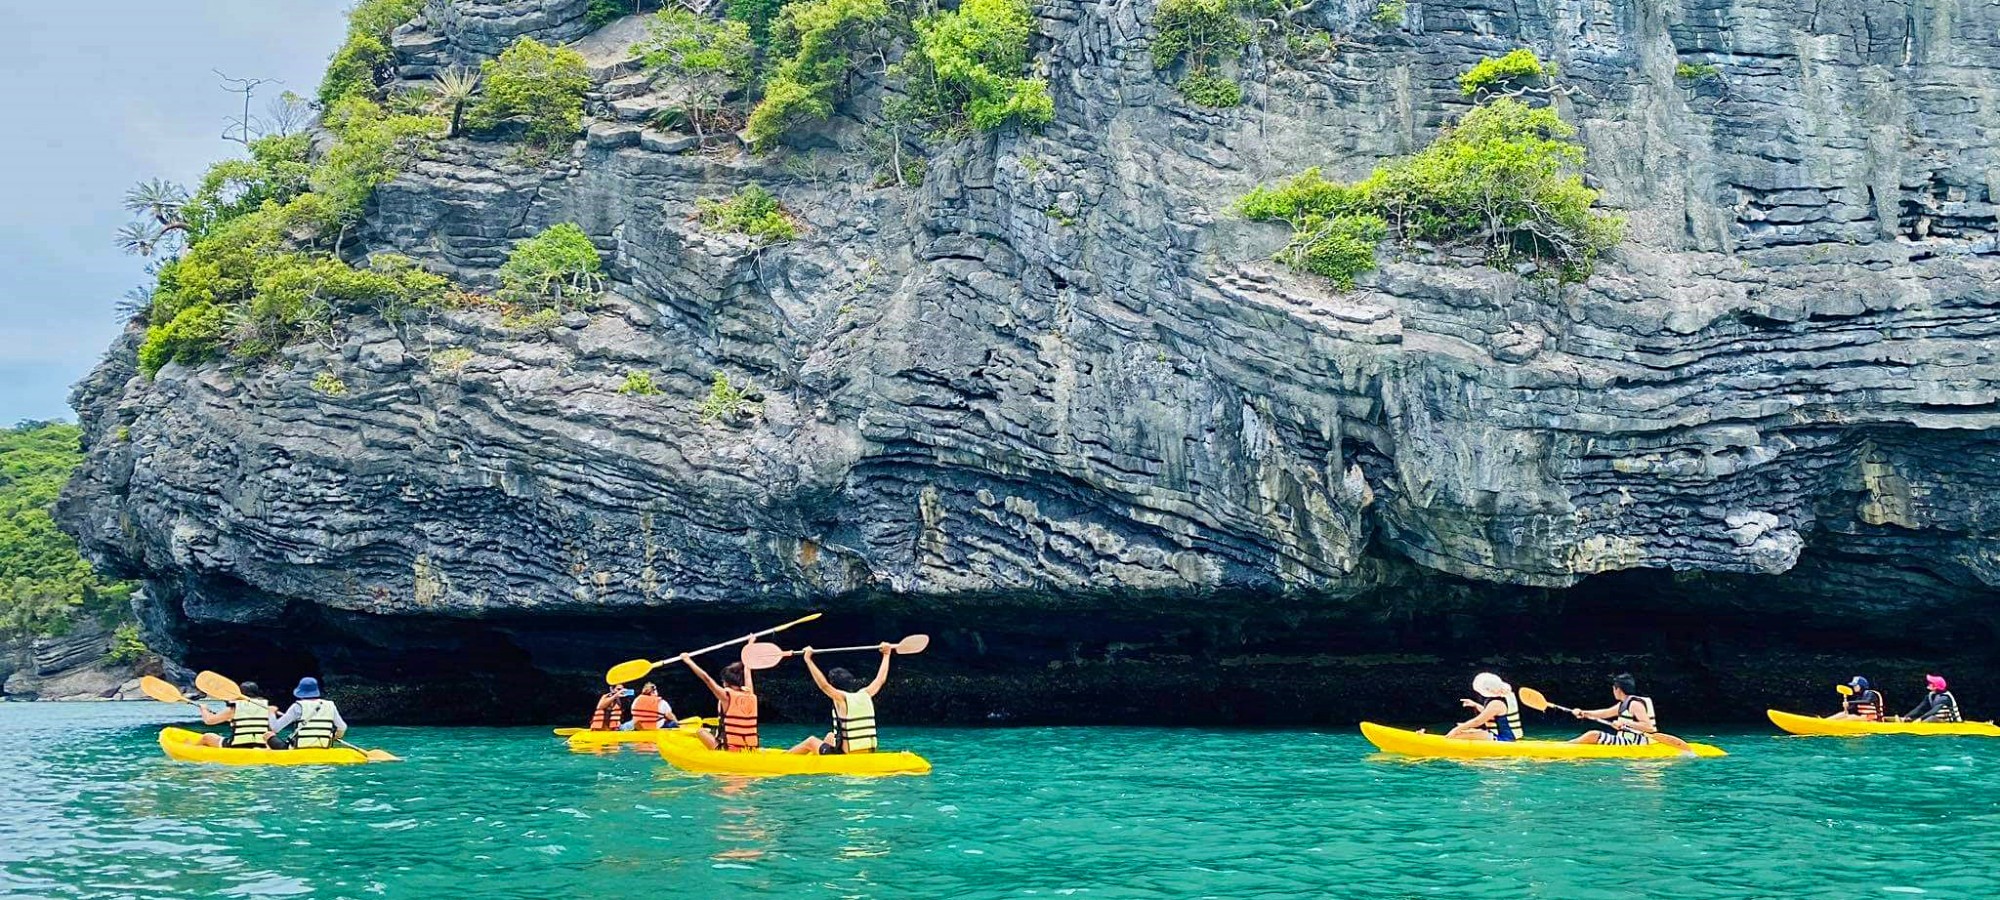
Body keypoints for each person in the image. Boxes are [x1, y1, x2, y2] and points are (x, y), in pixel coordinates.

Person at [789, 644, 894, 755]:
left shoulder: (841, 699)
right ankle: (813, 759)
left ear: (833, 684)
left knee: (810, 741)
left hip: (846, 755)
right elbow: (880, 680)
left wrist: (808, 660)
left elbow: (823, 686)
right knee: (830, 736)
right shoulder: (866, 694)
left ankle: (782, 759)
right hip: (867, 751)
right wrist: (886, 655)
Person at [1566, 673, 1692, 751]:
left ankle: (1565, 747)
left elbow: (1648, 727)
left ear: (1618, 689)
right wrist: (1583, 712)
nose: (1613, 691)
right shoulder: (1623, 704)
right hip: (1627, 740)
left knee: (1593, 735)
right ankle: (1566, 746)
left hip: (1638, 742)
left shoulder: (1635, 704)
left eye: (1613, 689)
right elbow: (1604, 713)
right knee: (1593, 735)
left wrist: (1625, 722)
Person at [682, 643, 758, 750]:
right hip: (750, 749)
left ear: (726, 682)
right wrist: (750, 644)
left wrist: (688, 660)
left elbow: (706, 679)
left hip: (728, 749)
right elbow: (747, 669)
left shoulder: (726, 697)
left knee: (700, 731)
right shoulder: (750, 694)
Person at [271, 677, 348, 750]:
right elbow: (342, 727)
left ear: (300, 692)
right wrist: (335, 737)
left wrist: (271, 713)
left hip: (300, 746)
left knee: (268, 734)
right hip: (323, 745)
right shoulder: (330, 705)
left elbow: (275, 729)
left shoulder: (297, 707)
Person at [1444, 672, 1524, 742]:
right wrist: (1475, 704)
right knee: (1469, 731)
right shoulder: (1508, 695)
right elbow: (1491, 714)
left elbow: (1478, 721)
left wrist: (1457, 729)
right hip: (1510, 737)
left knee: (1456, 736)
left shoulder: (1496, 703)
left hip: (1504, 739)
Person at [197, 680, 274, 749]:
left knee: (207, 736)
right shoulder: (265, 708)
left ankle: (193, 750)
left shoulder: (234, 709)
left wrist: (204, 709)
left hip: (237, 746)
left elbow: (209, 721)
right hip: (261, 746)